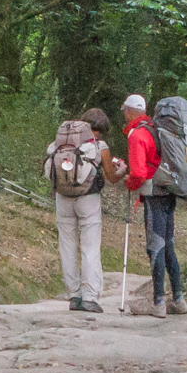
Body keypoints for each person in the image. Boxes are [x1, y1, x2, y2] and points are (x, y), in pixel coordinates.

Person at [50, 108, 126, 314]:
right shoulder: (99, 145)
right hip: (88, 199)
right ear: (102, 129)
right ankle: (90, 298)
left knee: (67, 247)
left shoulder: (61, 143)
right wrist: (122, 168)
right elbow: (112, 177)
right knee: (90, 247)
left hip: (63, 198)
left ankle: (74, 296)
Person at [121, 93, 187, 319]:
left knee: (156, 246)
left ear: (130, 111)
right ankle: (178, 299)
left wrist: (129, 182)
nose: (124, 115)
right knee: (168, 245)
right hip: (169, 191)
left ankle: (158, 303)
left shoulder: (138, 134)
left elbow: (139, 173)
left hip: (153, 194)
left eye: (125, 111)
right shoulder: (156, 129)